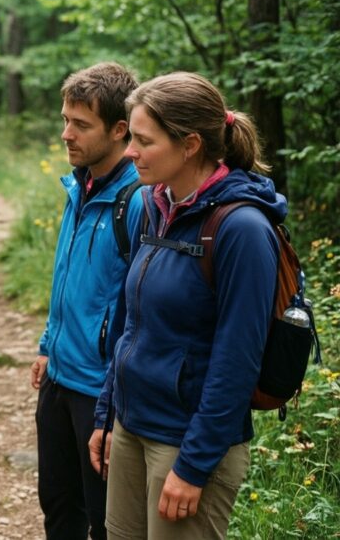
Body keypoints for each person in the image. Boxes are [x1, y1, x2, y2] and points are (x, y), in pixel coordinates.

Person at [88, 71, 283, 539]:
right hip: (133, 427)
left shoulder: (243, 230)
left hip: (186, 444)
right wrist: (108, 412)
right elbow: (130, 322)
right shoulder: (154, 205)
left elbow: (237, 360)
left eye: (143, 140)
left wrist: (194, 466)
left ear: (190, 144)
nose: (130, 151)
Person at [30, 62, 141, 540]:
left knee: (103, 520)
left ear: (120, 130)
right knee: (58, 508)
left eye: (80, 124)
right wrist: (46, 344)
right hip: (59, 378)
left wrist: (115, 406)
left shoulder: (137, 201)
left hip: (100, 391)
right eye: (65, 119)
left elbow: (140, 309)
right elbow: (68, 279)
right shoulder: (79, 184)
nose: (65, 134)